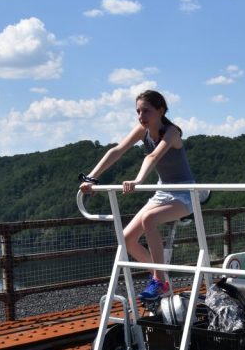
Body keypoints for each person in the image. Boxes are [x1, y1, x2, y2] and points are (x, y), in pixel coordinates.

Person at [79, 89, 196, 303]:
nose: (141, 117)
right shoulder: (142, 130)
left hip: (185, 194)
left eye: (146, 111)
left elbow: (153, 156)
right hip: (163, 191)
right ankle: (160, 277)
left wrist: (138, 180)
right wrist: (92, 177)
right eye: (138, 111)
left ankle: (159, 280)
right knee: (126, 239)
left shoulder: (171, 133)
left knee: (149, 219)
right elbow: (118, 150)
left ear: (160, 111)